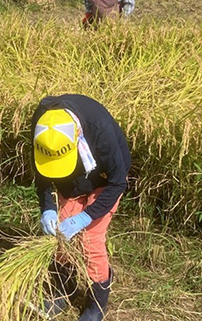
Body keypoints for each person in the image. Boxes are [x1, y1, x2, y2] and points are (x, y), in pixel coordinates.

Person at [32, 94, 130, 321]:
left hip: (106, 179)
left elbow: (118, 182)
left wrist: (85, 217)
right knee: (60, 237)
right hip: (70, 178)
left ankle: (96, 303)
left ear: (77, 136)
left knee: (89, 239)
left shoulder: (100, 129)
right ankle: (62, 290)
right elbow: (41, 171)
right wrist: (48, 207)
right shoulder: (43, 124)